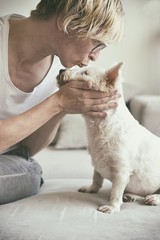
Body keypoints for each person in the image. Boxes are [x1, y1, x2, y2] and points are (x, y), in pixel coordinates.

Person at [0, 0, 124, 204]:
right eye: (97, 43)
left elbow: (27, 150)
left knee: (29, 171)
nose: (95, 57)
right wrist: (57, 102)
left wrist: (64, 106)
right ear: (69, 21)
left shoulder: (60, 71)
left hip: (8, 162)